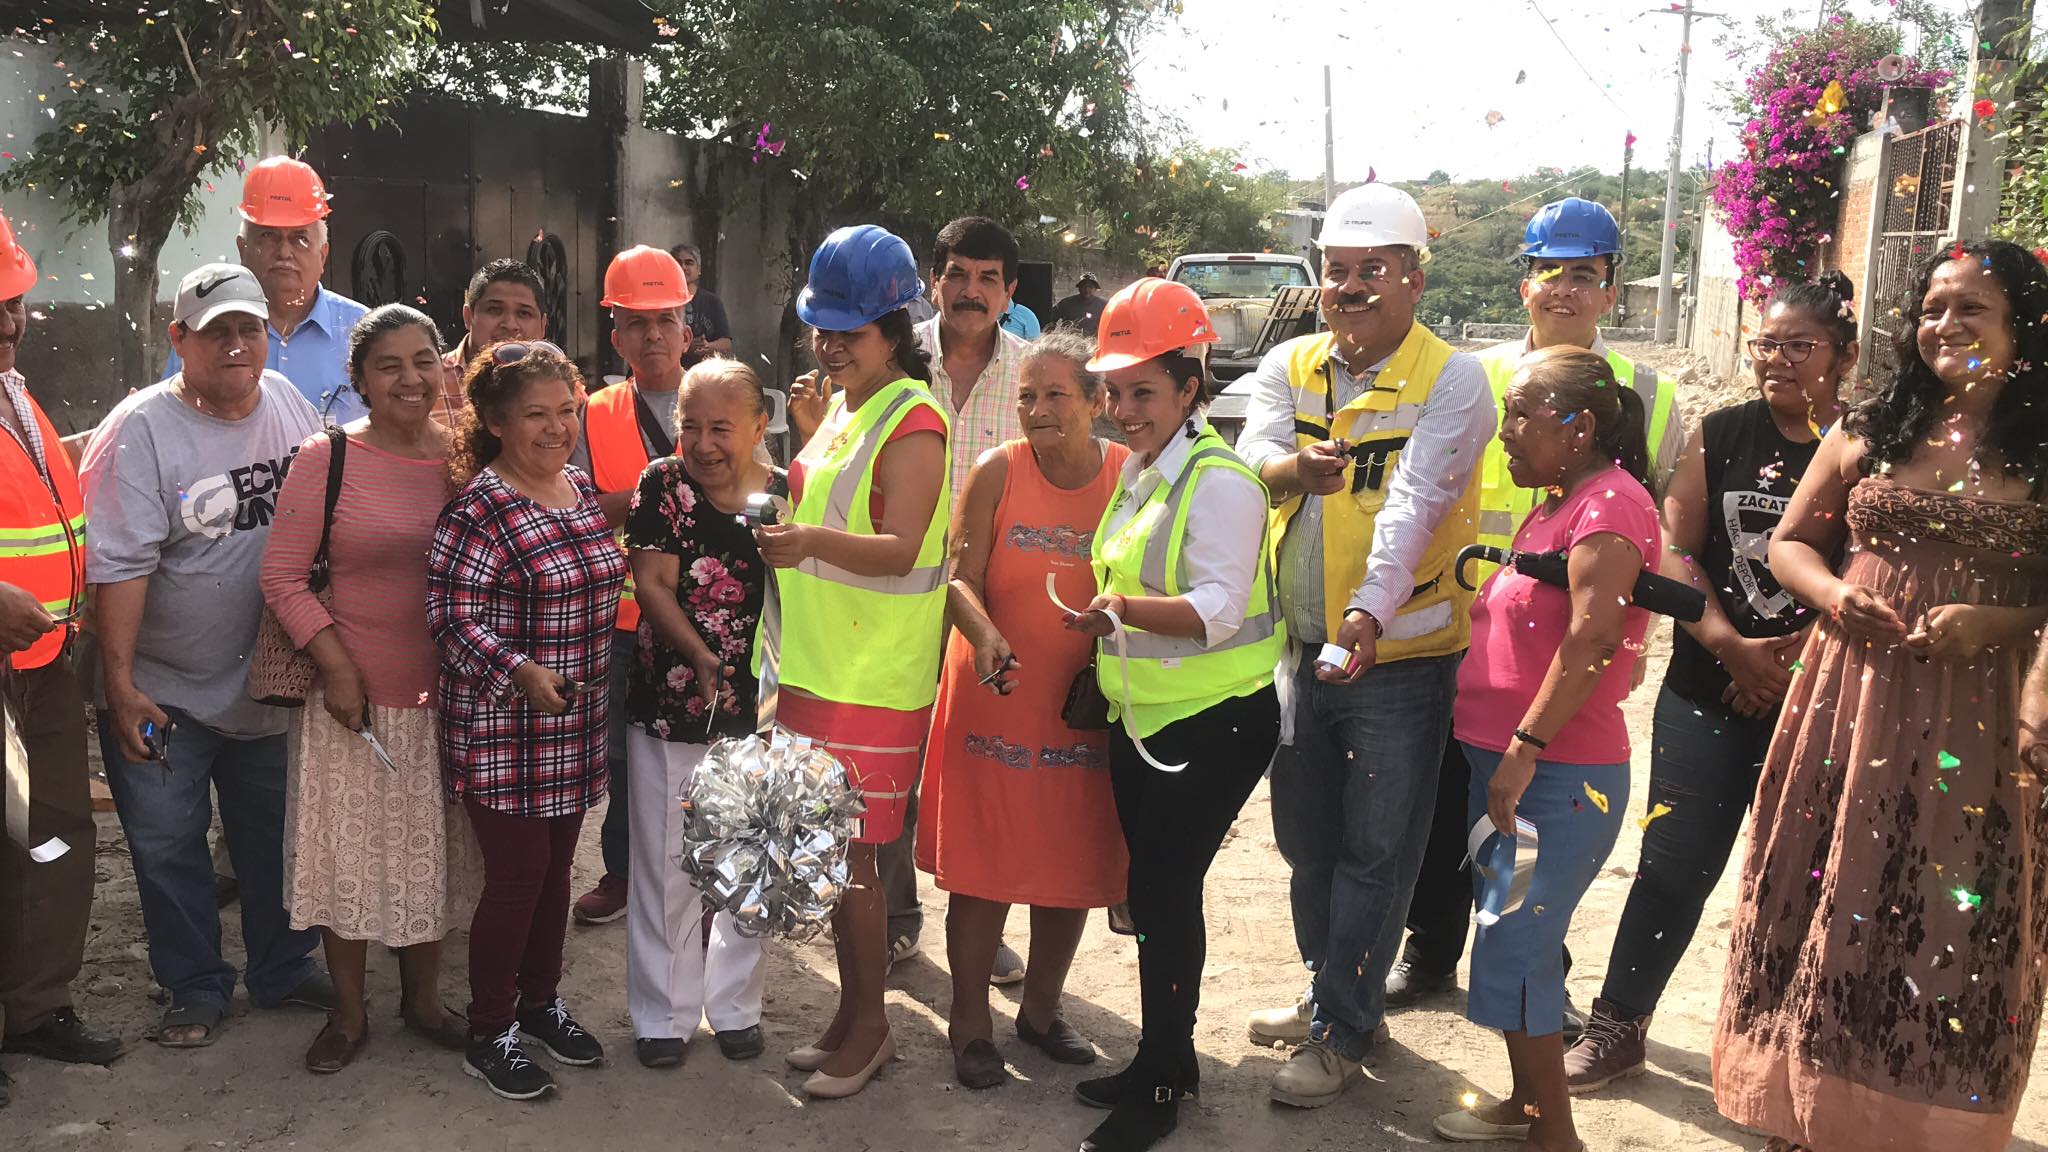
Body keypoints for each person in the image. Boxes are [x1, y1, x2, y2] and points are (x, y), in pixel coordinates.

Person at [1714, 240, 2048, 1152]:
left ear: (2025, 327)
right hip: (1849, 701)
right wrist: (1831, 596)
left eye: (1972, 308)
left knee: (1952, 906)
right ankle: (1806, 1105)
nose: (1944, 325)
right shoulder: (1872, 426)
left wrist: (2001, 623)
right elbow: (1789, 544)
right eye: (1934, 306)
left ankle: (1919, 1123)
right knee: (1832, 881)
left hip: (1984, 722)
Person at [1390, 195, 1684, 1021]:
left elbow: (1651, 530)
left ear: (1610, 289)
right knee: (1452, 811)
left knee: (1526, 829)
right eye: (1548, 272)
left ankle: (1531, 979)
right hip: (1460, 630)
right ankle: (1432, 953)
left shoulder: (1652, 396)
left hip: (1561, 654)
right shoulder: (1474, 375)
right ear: (1523, 284)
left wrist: (1619, 652)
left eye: (1583, 274)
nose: (1564, 289)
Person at [1234, 182, 1494, 1106]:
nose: (1350, 287)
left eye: (1371, 270)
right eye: (1336, 271)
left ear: (1414, 279)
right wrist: (1288, 469)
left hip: (1400, 658)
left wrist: (1367, 619)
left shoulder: (1452, 380)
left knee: (1376, 853)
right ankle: (1330, 996)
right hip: (1302, 650)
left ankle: (1342, 1030)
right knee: (1307, 843)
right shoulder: (1291, 365)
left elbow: (1418, 507)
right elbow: (1250, 459)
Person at [1563, 274, 1854, 1092]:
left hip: (1822, 701)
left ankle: (1790, 1063)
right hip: (1705, 689)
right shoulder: (1723, 432)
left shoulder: (1873, 446)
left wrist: (1796, 655)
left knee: (1806, 883)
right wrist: (1728, 645)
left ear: (1848, 355)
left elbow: (1877, 569)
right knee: (1671, 865)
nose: (1778, 361)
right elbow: (1676, 547)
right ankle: (1619, 1025)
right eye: (1767, 342)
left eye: (1801, 346)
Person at [81, 262, 333, 1050]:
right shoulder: (142, 430)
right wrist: (119, 688)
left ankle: (283, 968)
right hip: (164, 693)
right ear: (179, 339)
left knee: (274, 838)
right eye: (216, 329)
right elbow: (119, 568)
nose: (235, 344)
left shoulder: (288, 404)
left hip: (265, 689)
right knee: (165, 847)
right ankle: (194, 985)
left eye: (249, 328)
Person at [1060, 277, 1283, 1152]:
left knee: (1161, 894)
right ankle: (1169, 1057)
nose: (1121, 409)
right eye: (1113, 392)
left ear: (1192, 386)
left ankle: (1158, 1083)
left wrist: (1116, 613)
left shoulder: (1219, 482)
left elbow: (1221, 608)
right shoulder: (1145, 472)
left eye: (1142, 391)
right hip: (1146, 720)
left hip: (1213, 724)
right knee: (1153, 895)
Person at [791, 216, 1033, 983]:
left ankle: (975, 919)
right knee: (872, 807)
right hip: (868, 634)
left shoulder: (1021, 377)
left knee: (969, 774)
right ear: (931, 283)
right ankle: (896, 921)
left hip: (975, 603)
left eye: (988, 278)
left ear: (1009, 291)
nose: (971, 291)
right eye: (957, 274)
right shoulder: (861, 385)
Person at [1429, 346, 1660, 1150]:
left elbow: (1594, 639)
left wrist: (1525, 747)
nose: (1506, 432)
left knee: (1515, 945)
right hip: (1511, 769)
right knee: (1507, 934)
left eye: (1524, 414)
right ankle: (1530, 1105)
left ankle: (1553, 1135)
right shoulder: (1563, 500)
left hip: (1556, 778)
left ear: (1582, 425)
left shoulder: (1609, 509)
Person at [261, 304, 482, 1074]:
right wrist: (339, 668)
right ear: (358, 380)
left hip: (448, 698)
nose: (411, 378)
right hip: (351, 705)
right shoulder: (327, 460)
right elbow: (282, 577)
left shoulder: (463, 459)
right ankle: (347, 1014)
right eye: (389, 365)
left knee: (430, 856)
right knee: (346, 858)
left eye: (425, 360)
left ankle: (422, 1002)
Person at [755, 224, 949, 1100]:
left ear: (896, 329)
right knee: (832, 855)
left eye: (849, 331)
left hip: (873, 677)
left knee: (856, 858)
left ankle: (871, 1028)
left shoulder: (914, 417)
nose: (830, 345)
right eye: (821, 328)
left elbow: (904, 549)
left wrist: (802, 543)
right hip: (819, 664)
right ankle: (850, 1014)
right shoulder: (840, 404)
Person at [919, 329, 1130, 1089]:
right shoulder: (995, 471)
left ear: (1097, 402)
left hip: (1081, 709)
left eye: (1056, 395)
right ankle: (970, 1025)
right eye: (1028, 397)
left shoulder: (1125, 477)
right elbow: (957, 578)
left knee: (1068, 860)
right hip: (995, 698)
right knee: (985, 868)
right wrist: (984, 637)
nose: (1039, 411)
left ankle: (1040, 1012)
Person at [428, 339, 625, 1100]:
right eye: (536, 415)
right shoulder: (480, 505)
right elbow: (450, 614)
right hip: (502, 730)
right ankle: (489, 1030)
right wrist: (517, 669)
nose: (556, 428)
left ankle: (541, 1005)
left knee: (552, 880)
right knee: (518, 878)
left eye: (567, 411)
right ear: (499, 424)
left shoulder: (575, 487)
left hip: (572, 728)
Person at [620, 358, 777, 1069]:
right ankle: (663, 1015)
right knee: (666, 867)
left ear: (758, 426)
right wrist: (702, 654)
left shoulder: (781, 498)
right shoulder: (664, 485)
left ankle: (735, 1006)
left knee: (747, 867)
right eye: (691, 426)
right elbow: (652, 584)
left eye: (722, 428)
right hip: (671, 705)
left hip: (758, 714)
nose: (705, 444)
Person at [0, 208, 118, 1106]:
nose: (11, 321)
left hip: (43, 665)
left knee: (51, 837)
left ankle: (36, 1008)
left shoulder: (16, 395)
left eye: (15, 303)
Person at [568, 245, 695, 929]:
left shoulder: (722, 395)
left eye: (664, 320)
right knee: (621, 755)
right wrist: (655, 487)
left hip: (707, 614)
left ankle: (699, 882)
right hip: (620, 618)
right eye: (635, 322)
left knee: (700, 751)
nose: (651, 335)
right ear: (615, 334)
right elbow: (581, 509)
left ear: (687, 328)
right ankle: (621, 874)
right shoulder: (591, 413)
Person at [162, 157, 370, 423]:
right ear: (242, 248)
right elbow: (172, 418)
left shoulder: (362, 332)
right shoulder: (203, 332)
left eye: (300, 239)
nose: (284, 252)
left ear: (323, 254)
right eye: (268, 236)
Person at [438, 260, 547, 419]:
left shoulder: (565, 390)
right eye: (495, 310)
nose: (510, 325)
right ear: (468, 317)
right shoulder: (428, 383)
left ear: (543, 326)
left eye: (524, 313)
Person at [671, 242, 734, 363]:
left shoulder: (712, 302)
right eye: (678, 263)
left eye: (689, 263)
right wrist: (685, 346)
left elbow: (726, 343)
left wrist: (707, 346)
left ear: (698, 270)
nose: (683, 267)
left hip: (702, 374)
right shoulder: (661, 301)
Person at [1052, 273, 1107, 337]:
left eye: (1090, 287)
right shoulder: (1066, 303)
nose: (1087, 289)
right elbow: (1050, 319)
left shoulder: (1103, 306)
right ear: (1079, 288)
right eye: (1084, 286)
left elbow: (1111, 326)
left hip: (1092, 343)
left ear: (1095, 289)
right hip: (1068, 342)